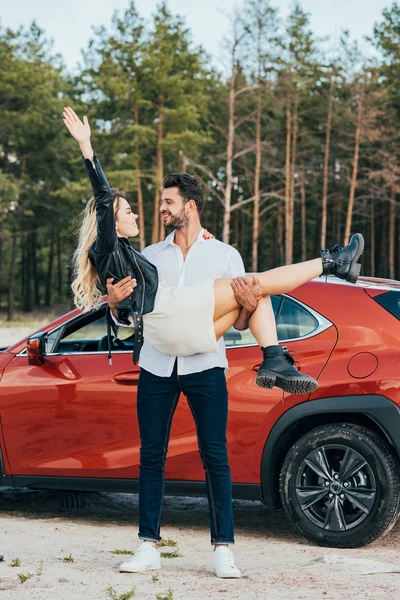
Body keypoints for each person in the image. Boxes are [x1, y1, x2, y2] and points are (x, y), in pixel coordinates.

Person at [63, 106, 365, 577]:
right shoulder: (145, 253)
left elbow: (243, 317)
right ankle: (328, 270)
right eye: (138, 208)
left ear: (190, 204)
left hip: (204, 352)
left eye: (166, 203)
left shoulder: (223, 253)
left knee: (216, 452)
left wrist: (243, 305)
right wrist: (88, 151)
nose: (155, 210)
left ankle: (223, 547)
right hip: (162, 353)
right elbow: (128, 304)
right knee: (152, 455)